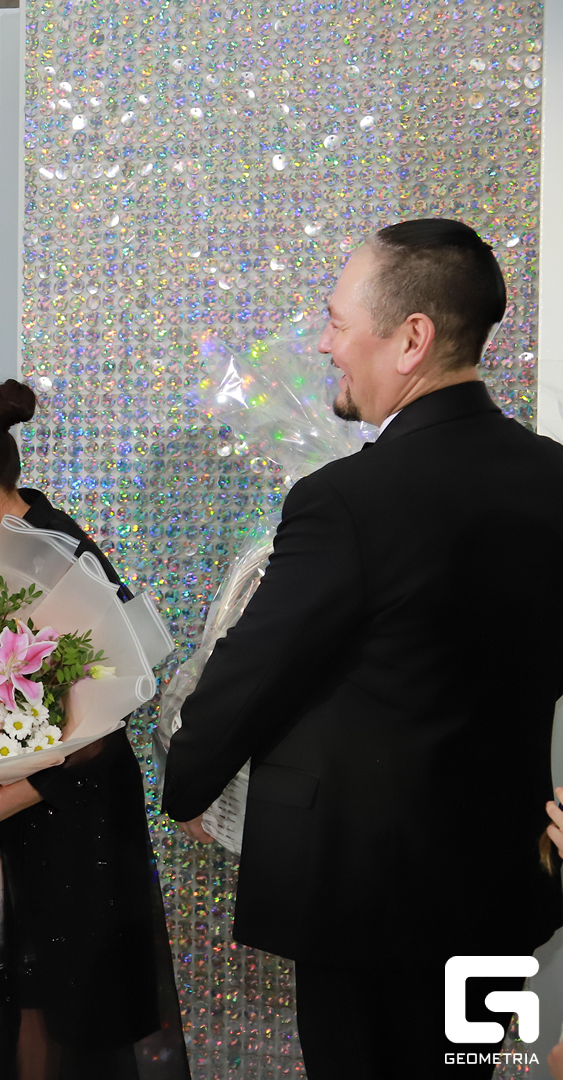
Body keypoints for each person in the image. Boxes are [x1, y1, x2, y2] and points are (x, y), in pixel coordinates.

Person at [162, 219, 563, 1079]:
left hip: (367, 900)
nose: (324, 344)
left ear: (411, 339)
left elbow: (256, 671)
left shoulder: (347, 498)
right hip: (501, 886)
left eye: (337, 323)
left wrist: (188, 778)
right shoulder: (555, 478)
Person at [0, 383, 187, 1080]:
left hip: (75, 826)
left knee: (63, 1021)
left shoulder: (52, 555)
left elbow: (96, 734)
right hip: (24, 828)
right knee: (22, 1012)